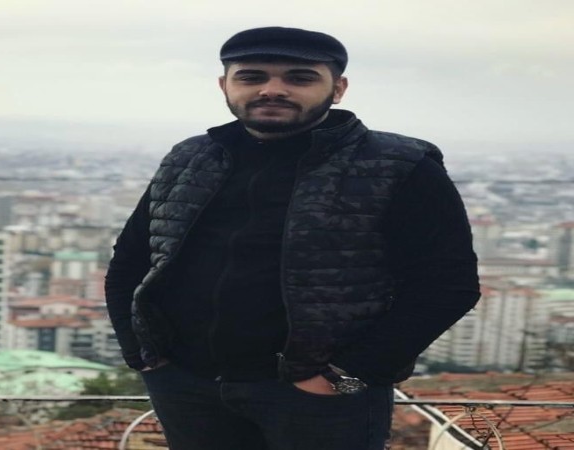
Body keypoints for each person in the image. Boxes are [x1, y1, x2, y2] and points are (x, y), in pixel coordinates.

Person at [105, 26, 480, 450]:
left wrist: (344, 376)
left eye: (299, 78)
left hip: (319, 397)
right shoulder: (190, 158)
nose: (272, 89)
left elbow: (448, 285)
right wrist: (144, 356)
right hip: (188, 386)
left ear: (338, 89)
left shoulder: (398, 165)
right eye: (252, 76)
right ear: (224, 85)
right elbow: (131, 260)